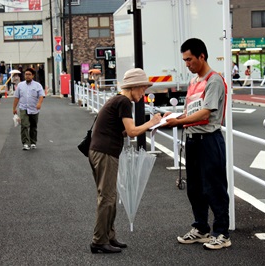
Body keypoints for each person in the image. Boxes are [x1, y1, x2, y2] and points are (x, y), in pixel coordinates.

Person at [164, 38, 231, 250]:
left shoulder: (214, 80)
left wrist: (178, 121)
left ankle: (221, 233)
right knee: (195, 188)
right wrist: (172, 116)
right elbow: (190, 112)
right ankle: (201, 228)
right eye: (184, 60)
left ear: (202, 56)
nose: (187, 64)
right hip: (193, 139)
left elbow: (205, 112)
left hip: (209, 139)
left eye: (189, 59)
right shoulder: (194, 82)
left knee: (215, 188)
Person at [88, 68, 161, 254]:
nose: (143, 93)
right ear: (134, 86)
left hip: (101, 150)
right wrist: (152, 123)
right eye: (142, 89)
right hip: (105, 152)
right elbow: (132, 131)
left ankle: (109, 236)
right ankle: (99, 240)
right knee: (107, 197)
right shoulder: (124, 101)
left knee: (110, 196)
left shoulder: (117, 100)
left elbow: (117, 129)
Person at [12, 68, 45, 150]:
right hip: (23, 108)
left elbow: (41, 96)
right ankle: (25, 143)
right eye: (26, 74)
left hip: (34, 109)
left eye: (29, 74)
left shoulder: (37, 85)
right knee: (24, 125)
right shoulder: (20, 85)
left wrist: (39, 103)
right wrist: (14, 108)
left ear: (33, 75)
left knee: (33, 126)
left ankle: (33, 142)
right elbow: (16, 97)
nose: (27, 76)